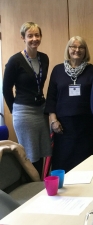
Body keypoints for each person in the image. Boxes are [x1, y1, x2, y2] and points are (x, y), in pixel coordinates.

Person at [2, 22, 51, 177]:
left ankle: (42, 186)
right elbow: (6, 89)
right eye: (30, 36)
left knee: (43, 151)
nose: (34, 39)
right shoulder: (15, 60)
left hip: (41, 111)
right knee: (30, 154)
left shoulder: (44, 58)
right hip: (24, 112)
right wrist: (15, 109)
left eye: (37, 35)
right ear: (23, 37)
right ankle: (32, 190)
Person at [45, 36, 93, 172]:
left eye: (81, 47)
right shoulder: (57, 70)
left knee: (86, 164)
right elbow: (51, 97)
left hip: (86, 127)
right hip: (63, 127)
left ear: (85, 51)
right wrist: (53, 120)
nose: (77, 50)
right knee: (64, 163)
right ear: (68, 49)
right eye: (73, 46)